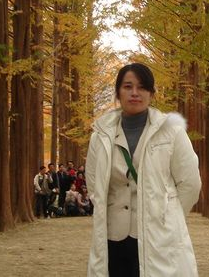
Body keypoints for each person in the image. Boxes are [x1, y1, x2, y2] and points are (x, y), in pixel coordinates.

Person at [86, 63, 201, 277]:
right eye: (128, 86)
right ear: (118, 92)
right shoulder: (100, 136)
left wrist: (167, 212)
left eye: (142, 87)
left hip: (157, 234)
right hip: (113, 235)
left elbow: (190, 183)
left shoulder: (171, 132)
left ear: (151, 93)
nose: (135, 93)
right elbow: (94, 185)